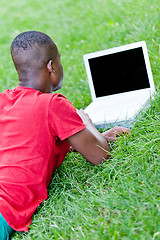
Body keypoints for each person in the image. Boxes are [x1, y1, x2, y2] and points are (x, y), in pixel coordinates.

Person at [0, 31, 129, 239]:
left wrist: (90, 136)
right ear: (51, 66)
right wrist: (85, 121)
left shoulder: (3, 100)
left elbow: (29, 144)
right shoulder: (52, 104)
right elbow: (100, 156)